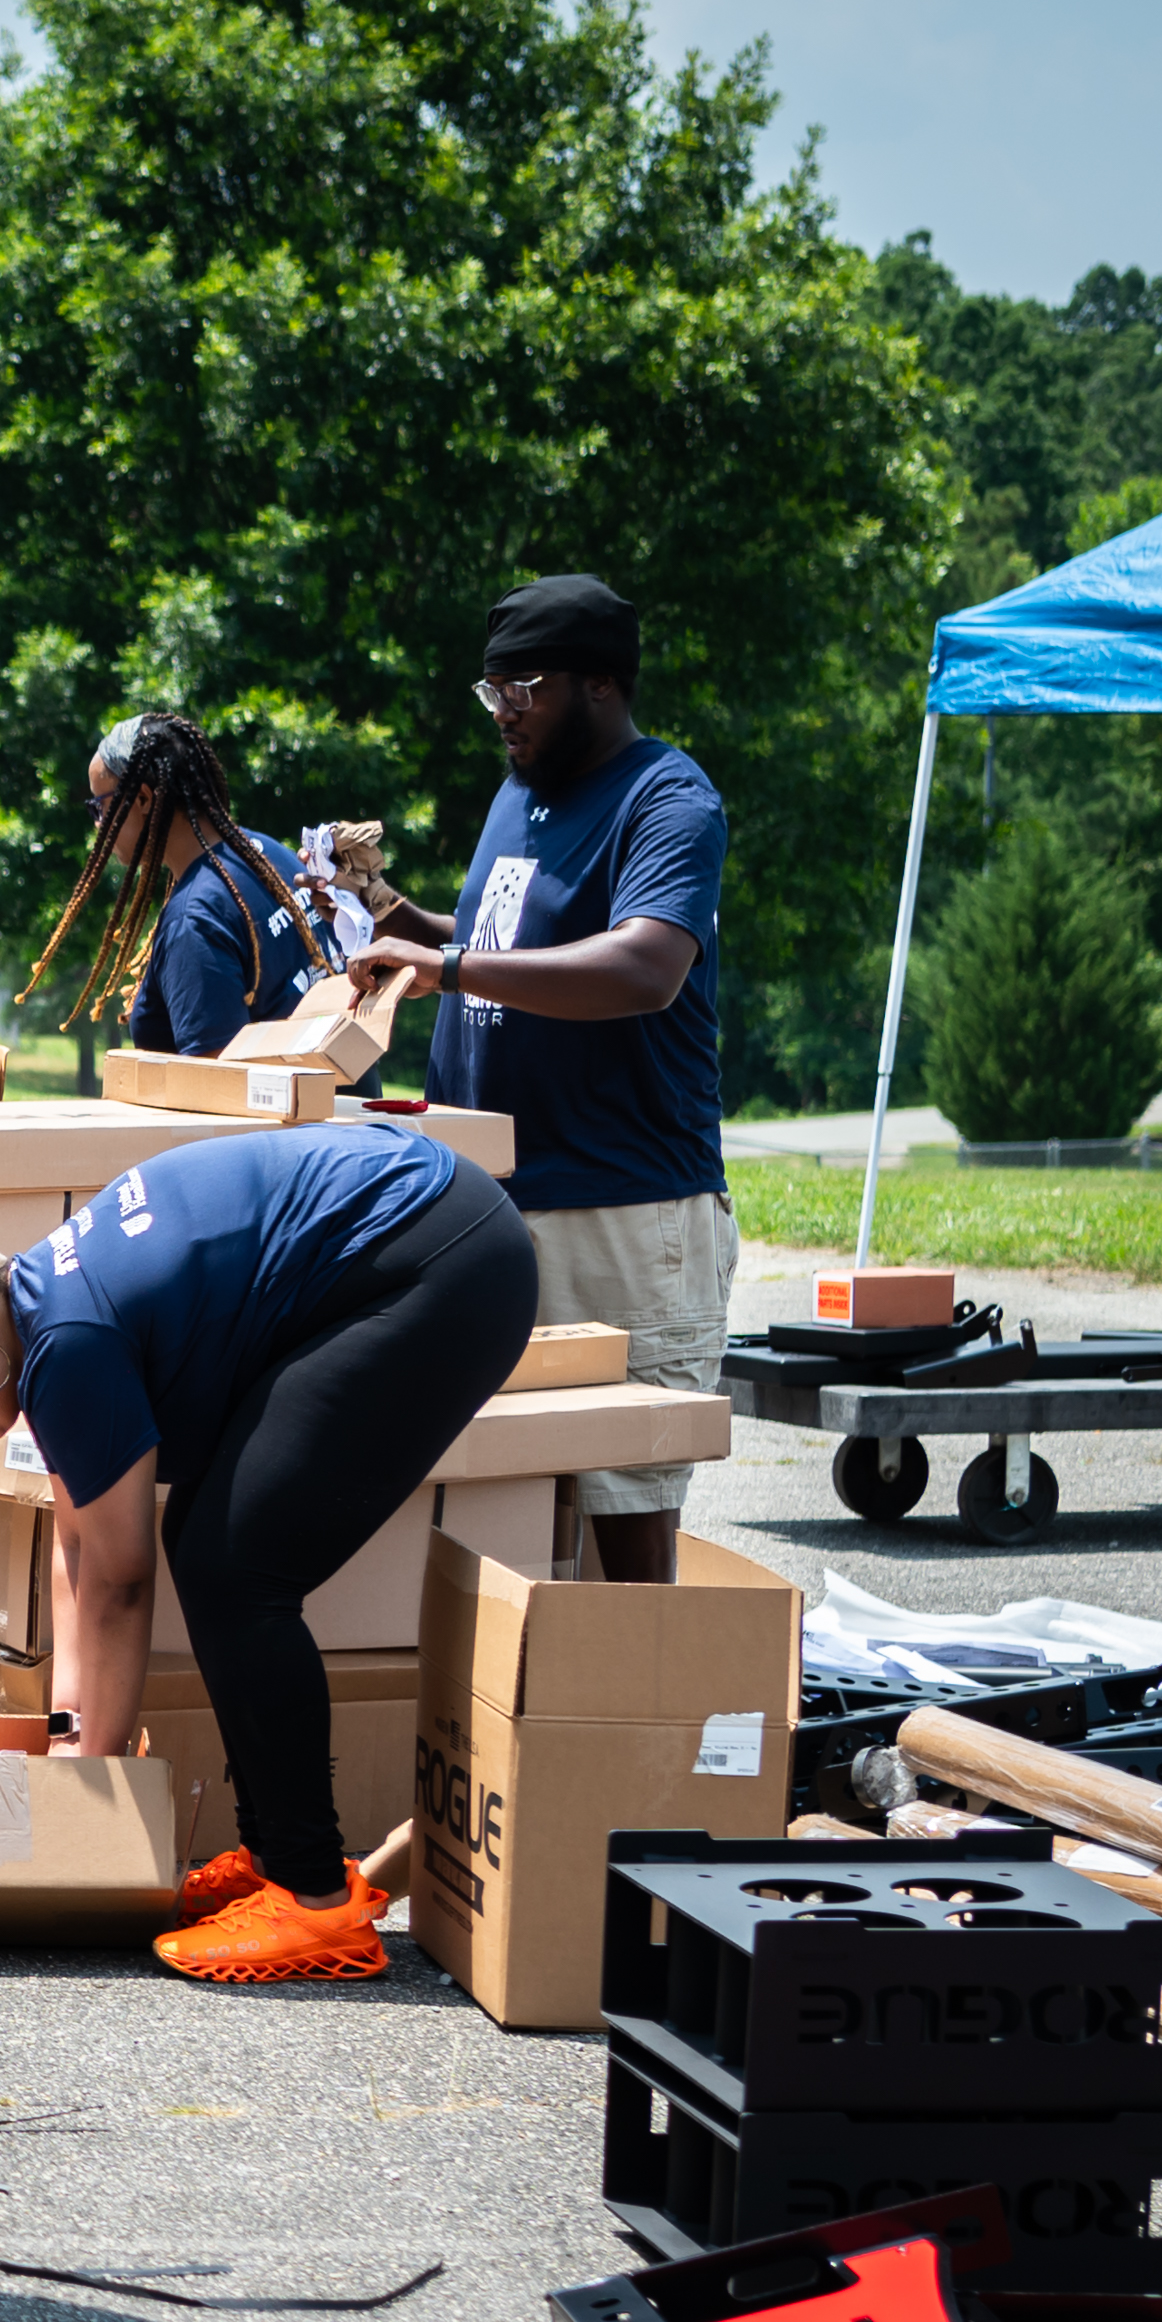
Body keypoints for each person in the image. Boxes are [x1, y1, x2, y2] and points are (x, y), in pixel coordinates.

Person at [0, 1125, 538, 1987]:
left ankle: (314, 1899)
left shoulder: (67, 1340)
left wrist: (86, 1811)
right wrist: (67, 1735)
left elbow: (120, 1583)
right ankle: (273, 1859)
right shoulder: (45, 1313)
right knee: (210, 1542)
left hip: (440, 1256)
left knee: (233, 1567)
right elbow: (77, 1544)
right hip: (425, 1230)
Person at [350, 575, 728, 1581]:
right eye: (492, 689)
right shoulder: (520, 792)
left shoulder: (667, 798)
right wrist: (396, 921)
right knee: (519, 1523)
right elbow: (491, 939)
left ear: (599, 683)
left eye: (524, 686)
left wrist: (455, 967)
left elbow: (645, 968)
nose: (504, 711)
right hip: (497, 1205)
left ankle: (629, 1725)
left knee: (620, 1527)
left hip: (616, 1205)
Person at [26, 711, 367, 1059]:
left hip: (293, 1112)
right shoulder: (270, 854)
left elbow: (218, 1083)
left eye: (100, 806)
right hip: (340, 1100)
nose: (99, 825)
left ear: (143, 799)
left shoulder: (195, 917)